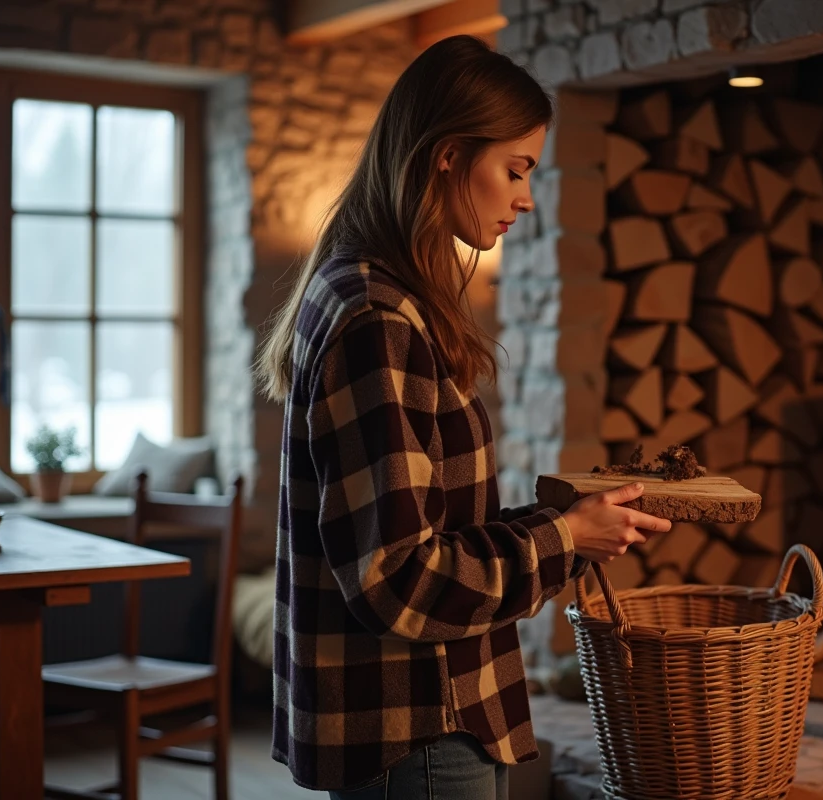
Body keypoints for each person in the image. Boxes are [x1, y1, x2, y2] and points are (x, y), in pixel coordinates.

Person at [254, 35, 672, 800]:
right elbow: (399, 580)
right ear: (448, 155)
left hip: (423, 722)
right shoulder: (377, 319)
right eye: (516, 169)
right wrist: (564, 538)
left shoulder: (370, 295)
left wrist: (570, 526)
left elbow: (432, 530)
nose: (526, 197)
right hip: (421, 729)